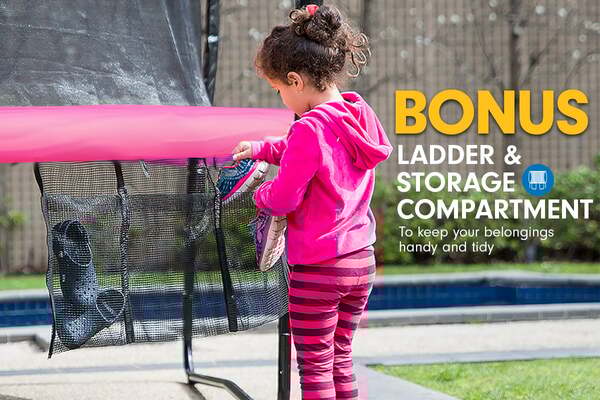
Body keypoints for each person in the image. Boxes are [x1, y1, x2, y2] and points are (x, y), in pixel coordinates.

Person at [229, 4, 392, 399]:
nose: (282, 98)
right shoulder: (356, 115)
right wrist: (262, 148)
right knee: (341, 357)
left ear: (296, 80)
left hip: (320, 267)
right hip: (360, 261)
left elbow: (284, 198)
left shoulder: (308, 129)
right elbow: (311, 150)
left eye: (279, 90)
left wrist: (260, 194)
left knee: (315, 364)